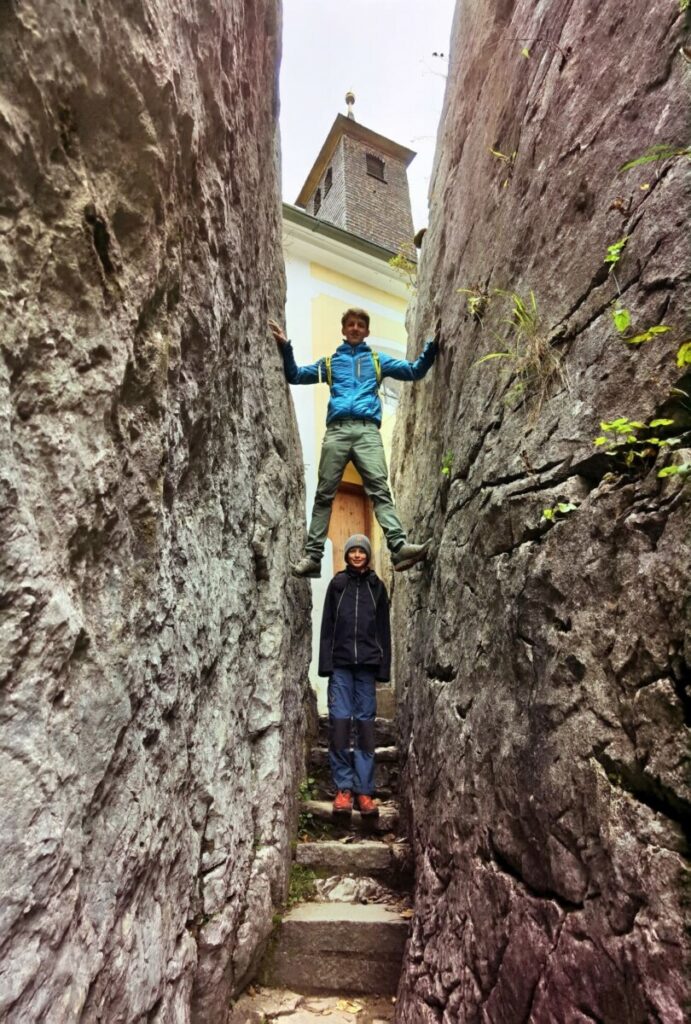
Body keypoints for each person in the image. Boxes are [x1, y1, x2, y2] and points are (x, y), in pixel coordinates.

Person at [268, 307, 439, 578]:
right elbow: (296, 376)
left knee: (379, 490)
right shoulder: (330, 364)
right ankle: (313, 558)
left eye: (360, 324)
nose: (355, 328)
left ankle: (399, 548)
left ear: (367, 331)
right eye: (351, 324)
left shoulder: (377, 360)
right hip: (336, 430)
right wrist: (286, 347)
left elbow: (415, 370)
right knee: (325, 493)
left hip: (367, 430)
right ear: (344, 329)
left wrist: (433, 346)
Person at [318, 534, 390, 817]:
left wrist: (383, 668)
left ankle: (364, 791)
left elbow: (384, 630)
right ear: (347, 555)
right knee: (339, 724)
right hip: (341, 666)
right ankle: (343, 788)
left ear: (368, 555)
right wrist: (326, 665)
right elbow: (327, 628)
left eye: (362, 551)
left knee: (365, 727)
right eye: (353, 551)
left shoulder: (377, 588)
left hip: (367, 667)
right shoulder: (337, 585)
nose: (358, 555)